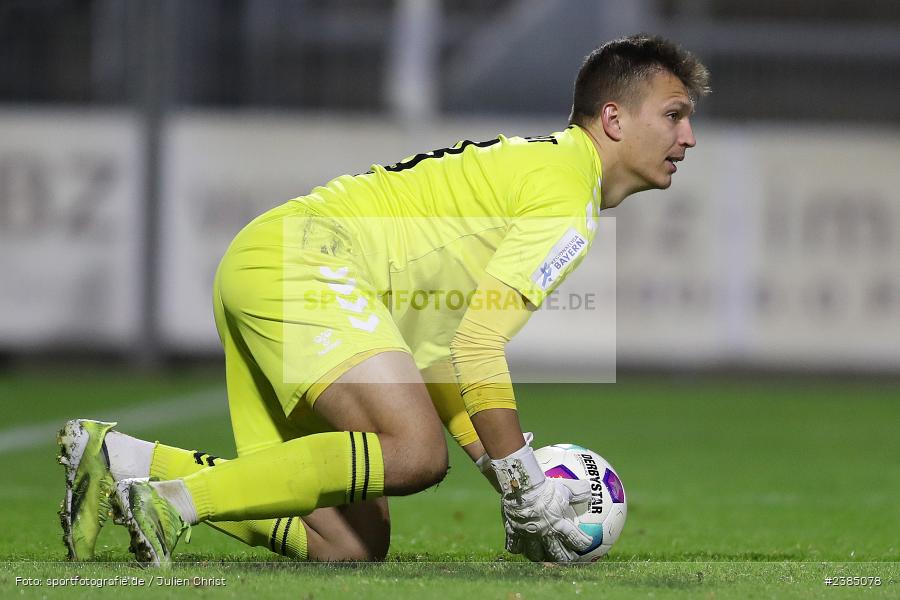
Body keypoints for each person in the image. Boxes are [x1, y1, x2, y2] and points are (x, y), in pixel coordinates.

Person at [57, 33, 709, 566]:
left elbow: (443, 360)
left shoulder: (545, 174)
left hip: (275, 259)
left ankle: (121, 461)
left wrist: (502, 472)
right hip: (306, 261)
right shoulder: (567, 196)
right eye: (674, 115)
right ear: (615, 119)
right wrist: (525, 483)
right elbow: (480, 346)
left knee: (348, 545)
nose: (688, 138)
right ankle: (175, 504)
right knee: (414, 452)